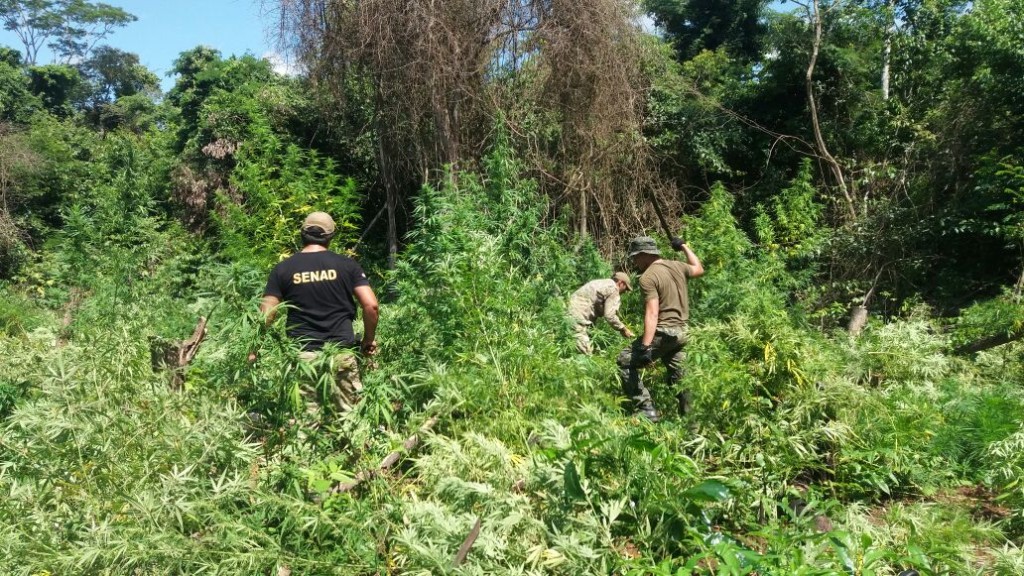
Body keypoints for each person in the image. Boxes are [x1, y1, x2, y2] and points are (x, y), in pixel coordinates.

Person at [249, 211, 379, 412]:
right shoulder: (347, 266)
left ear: (302, 234)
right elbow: (371, 306)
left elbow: (266, 314)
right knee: (349, 417)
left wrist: (253, 348)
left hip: (303, 357)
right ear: (330, 236)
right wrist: (368, 340)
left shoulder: (283, 269)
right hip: (340, 353)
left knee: (307, 422)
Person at [617, 236, 703, 422]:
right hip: (682, 333)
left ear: (644, 255)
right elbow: (698, 268)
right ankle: (691, 421)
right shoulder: (678, 266)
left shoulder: (648, 277)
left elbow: (652, 313)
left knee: (624, 361)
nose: (634, 262)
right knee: (680, 376)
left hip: (664, 333)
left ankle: (646, 410)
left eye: (635, 257)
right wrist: (684, 247)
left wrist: (645, 347)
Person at [568, 272, 635, 355]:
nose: (625, 292)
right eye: (625, 288)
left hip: (569, 311)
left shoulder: (601, 282)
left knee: (572, 345)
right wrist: (623, 329)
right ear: (621, 283)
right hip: (579, 319)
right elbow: (610, 316)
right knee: (585, 355)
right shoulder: (614, 289)